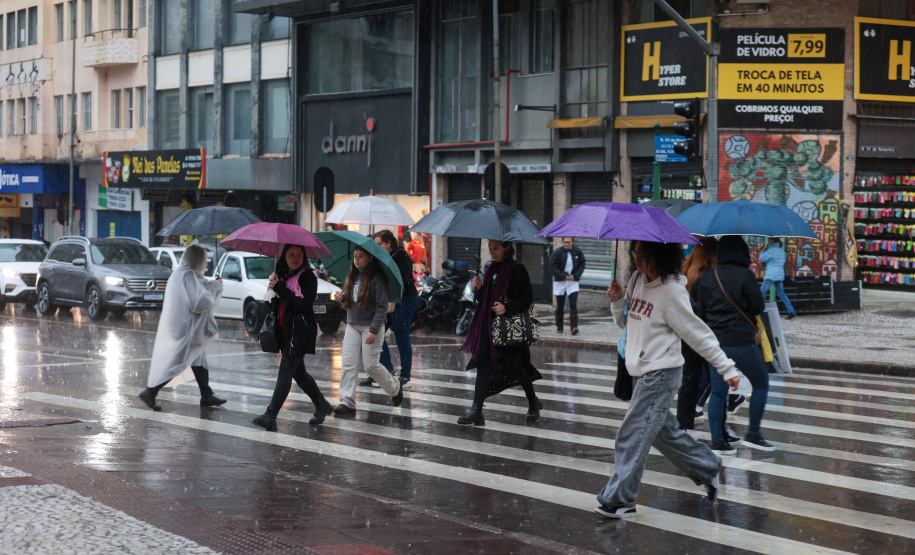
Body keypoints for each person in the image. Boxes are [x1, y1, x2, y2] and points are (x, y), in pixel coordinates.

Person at [596, 240, 739, 518]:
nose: (637, 259)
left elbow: (699, 334)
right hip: (640, 371)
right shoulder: (637, 280)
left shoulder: (673, 291)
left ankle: (621, 499)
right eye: (634, 253)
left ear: (660, 256)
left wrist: (727, 368)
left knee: (632, 434)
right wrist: (617, 302)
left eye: (643, 255)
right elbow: (628, 324)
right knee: (665, 434)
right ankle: (708, 466)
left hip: (661, 374)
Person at [694, 236, 774, 452]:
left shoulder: (707, 278)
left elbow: (699, 315)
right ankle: (753, 434)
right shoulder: (745, 276)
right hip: (742, 341)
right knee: (761, 383)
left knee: (718, 392)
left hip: (715, 345)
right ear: (742, 253)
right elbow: (758, 308)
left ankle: (718, 440)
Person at [457, 240, 542, 426]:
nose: (492, 252)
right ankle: (476, 410)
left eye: (495, 248)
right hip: (488, 327)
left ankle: (533, 402)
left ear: (506, 248)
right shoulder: (491, 270)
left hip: (508, 329)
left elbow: (527, 298)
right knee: (482, 364)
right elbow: (486, 301)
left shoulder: (517, 269)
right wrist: (478, 289)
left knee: (518, 367)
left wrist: (507, 307)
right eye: (489, 249)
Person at [252, 244, 334, 431]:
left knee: (286, 372)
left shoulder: (308, 278)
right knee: (299, 373)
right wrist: (272, 291)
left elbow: (302, 305)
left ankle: (271, 415)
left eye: (299, 254)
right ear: (284, 257)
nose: (295, 258)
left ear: (304, 257)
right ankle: (321, 404)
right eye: (291, 254)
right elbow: (275, 305)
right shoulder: (281, 276)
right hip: (284, 331)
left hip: (299, 332)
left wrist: (280, 288)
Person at [139, 245, 227, 411]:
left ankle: (206, 394)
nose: (206, 264)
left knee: (198, 357)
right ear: (197, 260)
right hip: (187, 327)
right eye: (204, 260)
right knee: (178, 361)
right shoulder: (188, 275)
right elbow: (199, 302)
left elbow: (197, 291)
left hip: (183, 325)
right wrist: (215, 287)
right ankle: (150, 391)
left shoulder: (181, 273)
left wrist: (212, 284)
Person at [333, 246, 404, 414]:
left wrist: (373, 330)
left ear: (370, 258)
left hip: (371, 327)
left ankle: (395, 387)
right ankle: (347, 402)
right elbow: (351, 301)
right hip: (352, 324)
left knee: (371, 366)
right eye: (355, 256)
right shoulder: (353, 276)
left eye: (361, 256)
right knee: (348, 364)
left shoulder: (378, 278)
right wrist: (342, 297)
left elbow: (381, 308)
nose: (356, 259)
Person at [367, 230, 418, 388]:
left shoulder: (400, 254)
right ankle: (387, 371)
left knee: (402, 337)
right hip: (390, 301)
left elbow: (401, 279)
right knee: (376, 333)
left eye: (379, 243)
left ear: (389, 242)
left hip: (405, 300)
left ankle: (405, 377)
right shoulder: (382, 257)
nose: (377, 247)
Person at [550, 237, 586, 335]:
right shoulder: (557, 253)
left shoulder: (577, 252)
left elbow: (582, 264)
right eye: (565, 242)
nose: (566, 244)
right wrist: (563, 276)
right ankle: (559, 326)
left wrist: (576, 275)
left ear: (572, 242)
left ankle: (574, 327)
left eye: (568, 242)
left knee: (573, 303)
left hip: (573, 282)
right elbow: (552, 266)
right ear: (562, 242)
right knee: (560, 305)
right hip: (560, 281)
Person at [759, 237, 796, 319]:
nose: (768, 241)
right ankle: (791, 311)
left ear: (772, 240)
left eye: (769, 239)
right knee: (781, 293)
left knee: (762, 291)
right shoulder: (781, 250)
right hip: (779, 275)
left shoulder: (771, 250)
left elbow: (762, 258)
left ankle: (761, 310)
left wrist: (763, 250)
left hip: (771, 275)